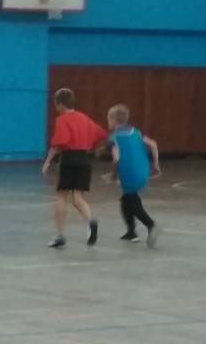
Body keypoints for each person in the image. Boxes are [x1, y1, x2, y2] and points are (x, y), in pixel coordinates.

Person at [42, 88, 107, 249]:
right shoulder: (84, 118)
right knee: (78, 198)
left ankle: (60, 235)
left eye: (56, 105)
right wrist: (94, 147)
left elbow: (59, 142)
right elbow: (101, 134)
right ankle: (90, 221)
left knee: (61, 196)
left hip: (69, 159)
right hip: (84, 159)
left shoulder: (62, 119)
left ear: (60, 105)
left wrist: (47, 161)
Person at [106, 104, 161, 247]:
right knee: (126, 200)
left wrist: (113, 175)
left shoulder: (114, 138)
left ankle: (151, 225)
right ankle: (131, 232)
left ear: (113, 120)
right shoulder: (136, 132)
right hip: (143, 170)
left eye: (108, 119)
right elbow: (153, 144)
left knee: (131, 201)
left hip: (128, 173)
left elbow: (116, 159)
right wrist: (155, 164)